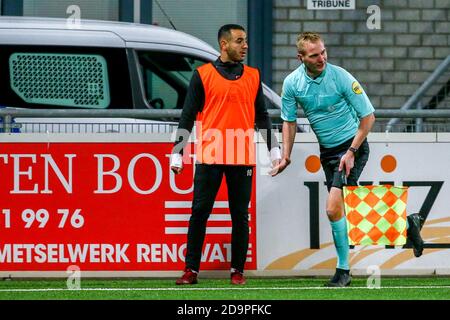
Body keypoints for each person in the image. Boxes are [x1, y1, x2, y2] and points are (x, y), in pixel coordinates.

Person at [271, 32, 424, 287]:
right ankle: (409, 223)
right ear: (300, 58)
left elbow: (368, 117)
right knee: (351, 209)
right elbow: (288, 121)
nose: (321, 58)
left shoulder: (341, 77)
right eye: (314, 55)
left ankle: (343, 271)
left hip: (353, 146)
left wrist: (351, 152)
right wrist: (285, 155)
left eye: (323, 52)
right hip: (328, 152)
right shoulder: (292, 84)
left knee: (333, 208)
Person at [170, 24, 281, 285]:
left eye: (245, 41)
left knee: (240, 215)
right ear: (224, 44)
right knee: (199, 212)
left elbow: (262, 116)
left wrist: (274, 150)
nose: (245, 46)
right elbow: (187, 116)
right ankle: (191, 270)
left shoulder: (253, 76)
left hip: (242, 157)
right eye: (239, 41)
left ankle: (237, 271)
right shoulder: (202, 75)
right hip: (209, 156)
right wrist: (177, 154)